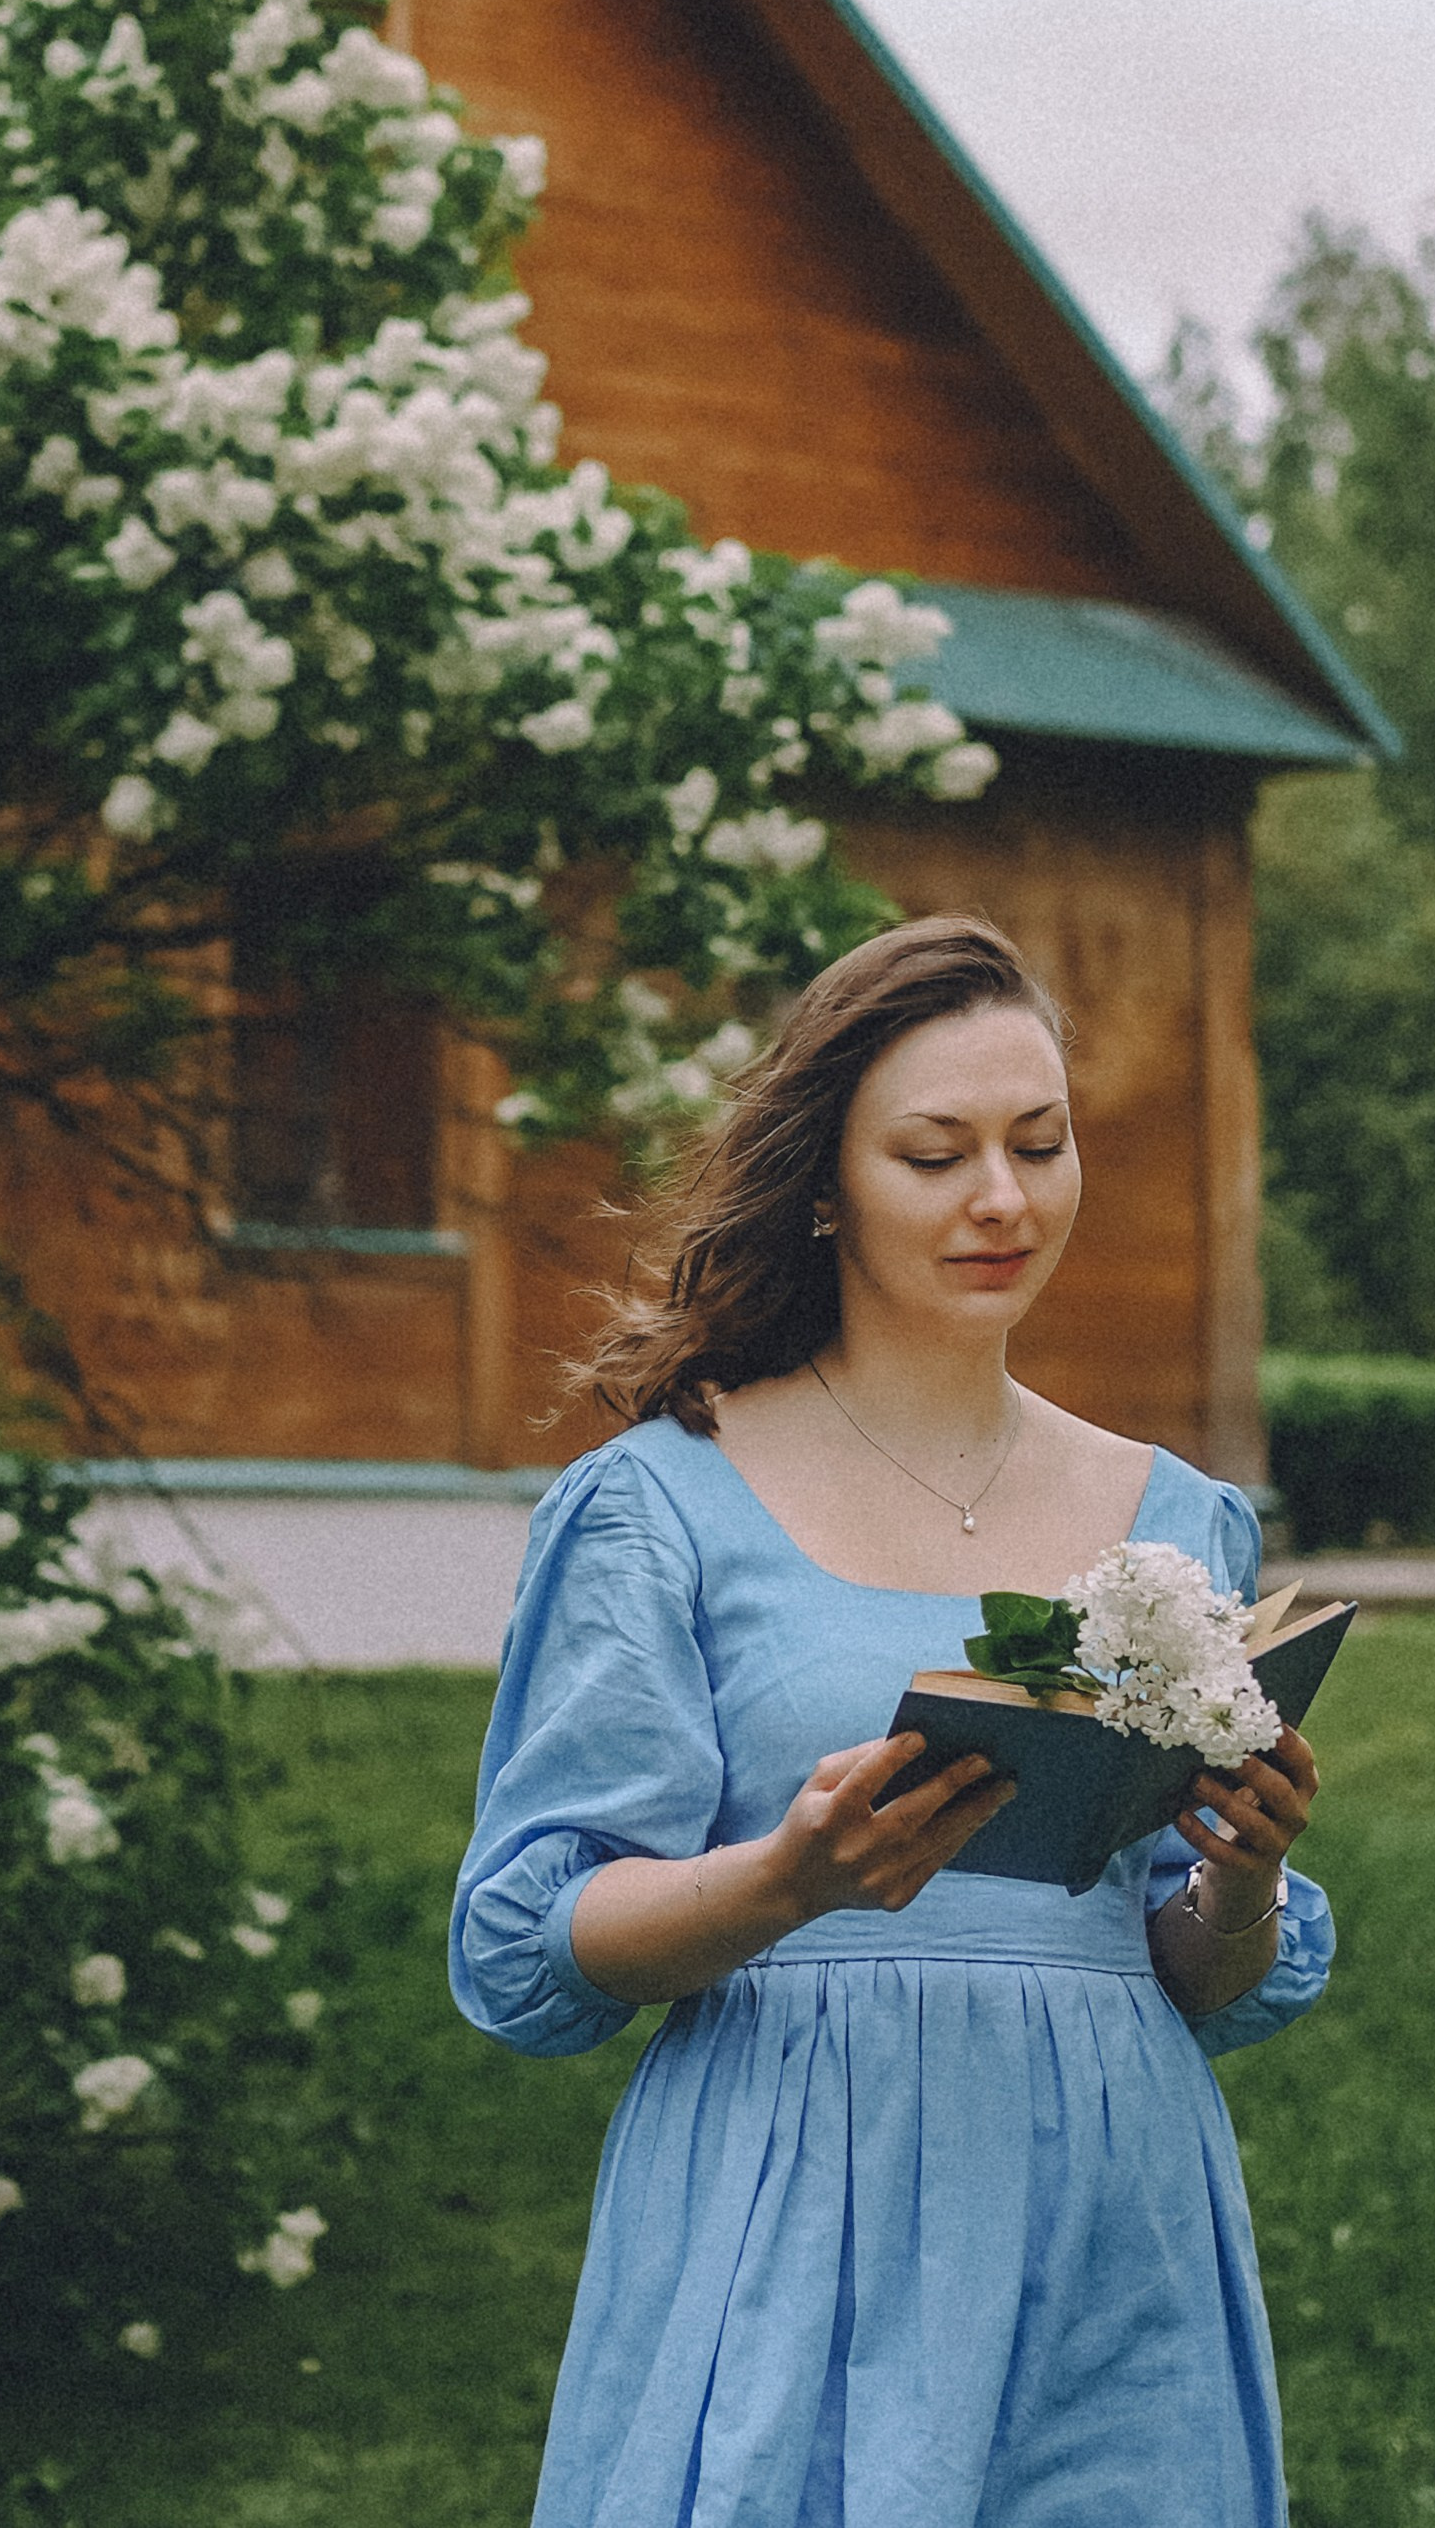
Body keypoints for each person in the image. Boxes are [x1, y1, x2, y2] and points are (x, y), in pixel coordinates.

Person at [451, 916, 1332, 2528]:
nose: (1002, 1198)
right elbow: (529, 1943)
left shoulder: (1177, 1518)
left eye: (1038, 1143)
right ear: (823, 1180)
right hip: (791, 2195)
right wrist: (783, 1876)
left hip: (1107, 2213)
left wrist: (1243, 1876)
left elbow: (1188, 1968)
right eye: (934, 1154)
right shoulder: (661, 1502)